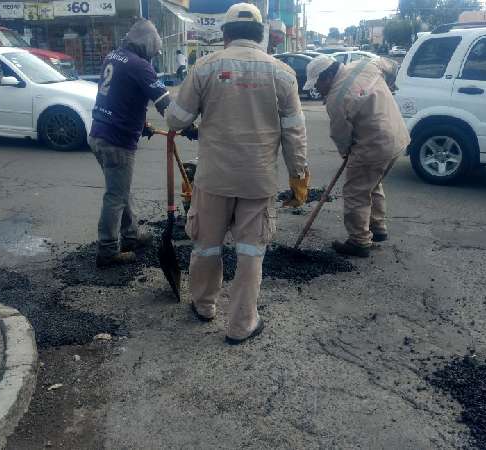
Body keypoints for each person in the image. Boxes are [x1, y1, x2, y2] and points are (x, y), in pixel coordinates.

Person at [166, 3, 308, 345]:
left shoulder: (205, 67)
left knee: (207, 246)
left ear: (226, 34)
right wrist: (298, 175)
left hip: (214, 178)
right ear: (260, 35)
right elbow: (294, 132)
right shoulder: (282, 73)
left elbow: (175, 120)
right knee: (250, 252)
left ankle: (203, 306)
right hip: (257, 181)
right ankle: (242, 324)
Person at [303, 55, 410, 258]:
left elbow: (341, 137)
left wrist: (347, 155)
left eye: (317, 85)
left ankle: (359, 241)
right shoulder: (365, 65)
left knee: (355, 192)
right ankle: (377, 227)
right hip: (398, 138)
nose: (318, 90)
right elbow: (391, 65)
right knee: (372, 183)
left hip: (374, 146)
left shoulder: (336, 99)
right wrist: (388, 86)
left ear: (326, 77)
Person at [89, 19, 171, 267]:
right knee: (115, 196)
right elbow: (165, 104)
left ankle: (132, 235)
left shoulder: (114, 56)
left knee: (121, 191)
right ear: (146, 45)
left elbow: (120, 93)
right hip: (117, 141)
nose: (153, 58)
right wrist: (188, 126)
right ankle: (107, 250)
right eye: (153, 52)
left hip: (98, 134)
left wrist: (142, 122)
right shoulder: (140, 66)